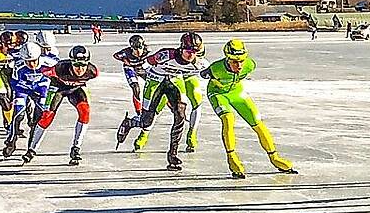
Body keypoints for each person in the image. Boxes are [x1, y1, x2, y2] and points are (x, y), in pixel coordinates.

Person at [203, 39, 297, 178]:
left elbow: (243, 69)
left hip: (236, 92)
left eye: (241, 60)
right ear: (227, 59)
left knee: (257, 121)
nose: (239, 65)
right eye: (234, 61)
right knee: (228, 119)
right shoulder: (215, 69)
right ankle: (232, 158)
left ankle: (274, 157)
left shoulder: (250, 65)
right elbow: (202, 74)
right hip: (218, 94)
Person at [115, 32, 205, 171]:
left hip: (175, 82)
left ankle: (172, 155)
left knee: (180, 115)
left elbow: (209, 71)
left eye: (194, 52)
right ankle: (130, 123)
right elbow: (145, 64)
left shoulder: (198, 63)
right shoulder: (165, 55)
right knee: (147, 121)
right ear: (181, 48)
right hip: (155, 82)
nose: (190, 55)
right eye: (188, 51)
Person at [39, 46, 100, 165]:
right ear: (71, 62)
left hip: (76, 89)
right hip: (58, 89)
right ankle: (32, 150)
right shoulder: (60, 68)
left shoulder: (93, 72)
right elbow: (41, 71)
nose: (80, 68)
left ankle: (76, 148)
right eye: (76, 65)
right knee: (47, 116)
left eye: (83, 65)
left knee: (85, 111)